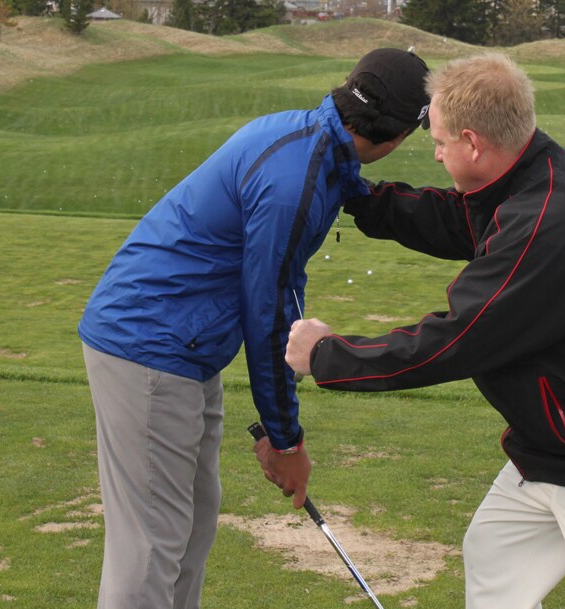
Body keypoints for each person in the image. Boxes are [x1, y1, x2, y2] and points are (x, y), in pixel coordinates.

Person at [286, 53, 565, 609]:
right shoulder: (527, 177)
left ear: (472, 143)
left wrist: (326, 355)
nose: (436, 153)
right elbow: (459, 219)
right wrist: (362, 197)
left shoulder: (551, 217)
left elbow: (457, 339)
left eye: (439, 142)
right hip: (559, 446)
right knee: (496, 564)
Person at [78, 48, 430, 609]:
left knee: (193, 522)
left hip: (184, 343)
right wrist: (285, 439)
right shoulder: (296, 181)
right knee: (149, 547)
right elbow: (269, 317)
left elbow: (282, 287)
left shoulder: (311, 140)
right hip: (149, 340)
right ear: (398, 135)